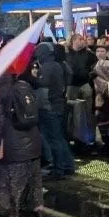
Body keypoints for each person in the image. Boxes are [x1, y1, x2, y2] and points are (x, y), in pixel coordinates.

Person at [0, 68, 44, 217]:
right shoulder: (24, 85)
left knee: (10, 186)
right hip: (32, 143)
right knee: (35, 186)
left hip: (12, 147)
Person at [34, 41, 76, 178]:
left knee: (53, 139)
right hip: (57, 105)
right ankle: (67, 165)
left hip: (50, 107)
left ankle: (59, 169)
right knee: (59, 138)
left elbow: (42, 87)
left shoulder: (47, 67)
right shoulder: (57, 65)